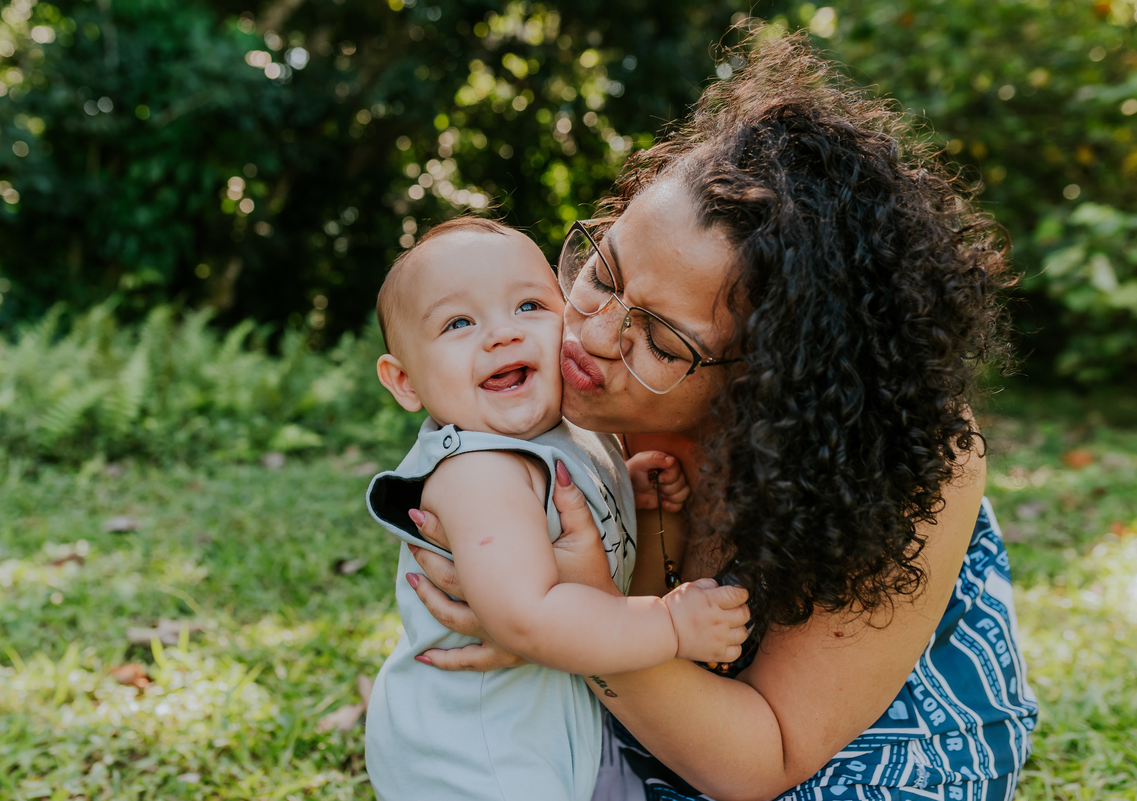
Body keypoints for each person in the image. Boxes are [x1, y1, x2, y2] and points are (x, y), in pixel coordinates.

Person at [402, 28, 1039, 801]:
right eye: (604, 271)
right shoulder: (553, 384)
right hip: (644, 722)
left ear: (768, 381)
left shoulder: (892, 458)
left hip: (852, 752)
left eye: (662, 341)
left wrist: (571, 634)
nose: (591, 334)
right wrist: (535, 623)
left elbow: (763, 759)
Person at [363, 217, 750, 801]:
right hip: (476, 754)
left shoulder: (575, 437)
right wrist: (671, 625)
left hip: (556, 736)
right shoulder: (477, 472)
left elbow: (598, 580)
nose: (502, 335)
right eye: (458, 323)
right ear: (405, 382)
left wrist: (632, 500)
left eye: (529, 306)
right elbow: (529, 618)